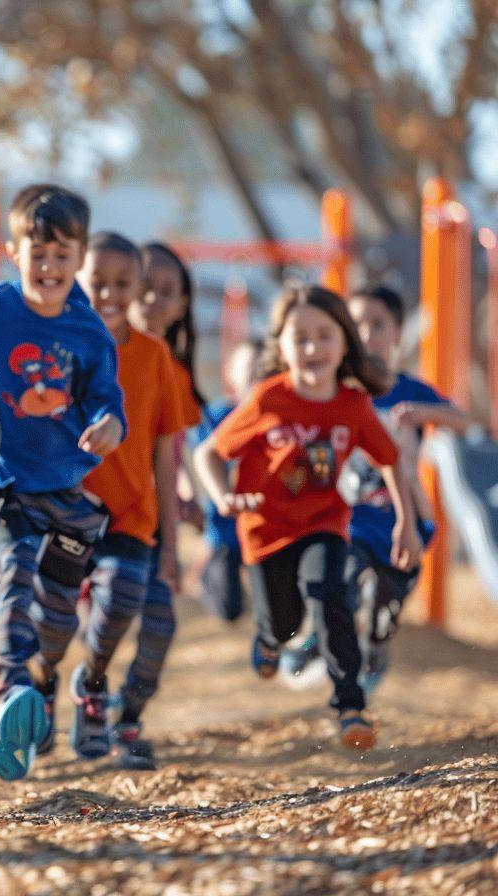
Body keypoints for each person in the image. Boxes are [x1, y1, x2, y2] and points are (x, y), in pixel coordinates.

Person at [193, 284, 421, 750]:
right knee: (286, 622)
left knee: (330, 599)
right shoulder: (266, 400)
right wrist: (222, 496)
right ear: (281, 346)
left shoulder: (352, 405)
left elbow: (390, 459)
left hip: (324, 524)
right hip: (265, 532)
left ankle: (351, 707)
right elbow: (208, 454)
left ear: (343, 344)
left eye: (325, 336)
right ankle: (269, 639)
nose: (313, 348)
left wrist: (406, 521)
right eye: (300, 338)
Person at [0, 185, 125, 782]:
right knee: (17, 571)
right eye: (37, 253)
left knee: (59, 617)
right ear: (13, 252)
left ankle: (42, 680)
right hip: (4, 482)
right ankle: (12, 690)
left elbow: (108, 402)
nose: (48, 267)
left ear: (80, 259)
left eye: (61, 255)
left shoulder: (89, 332)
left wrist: (108, 425)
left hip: (66, 488)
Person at [283, 285, 469, 693]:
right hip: (347, 519)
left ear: (398, 332)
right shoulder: (339, 389)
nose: (367, 335)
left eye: (378, 325)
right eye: (358, 325)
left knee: (385, 602)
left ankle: (376, 647)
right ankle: (319, 638)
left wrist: (426, 413)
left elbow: (462, 420)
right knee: (340, 580)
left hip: (401, 519)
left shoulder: (409, 391)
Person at [77, 232, 187, 770]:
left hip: (136, 519)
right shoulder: (66, 348)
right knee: (99, 614)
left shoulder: (155, 356)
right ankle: (88, 693)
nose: (109, 293)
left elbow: (166, 454)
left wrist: (172, 546)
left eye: (123, 283)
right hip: (71, 519)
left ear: (138, 288)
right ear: (79, 279)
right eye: (97, 282)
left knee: (159, 621)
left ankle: (128, 719)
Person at [190, 339, 262, 622]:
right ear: (232, 372)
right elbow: (199, 457)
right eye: (248, 368)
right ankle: (209, 576)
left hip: (264, 526)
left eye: (262, 368)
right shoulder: (217, 416)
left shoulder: (277, 416)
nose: (256, 375)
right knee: (229, 610)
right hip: (225, 530)